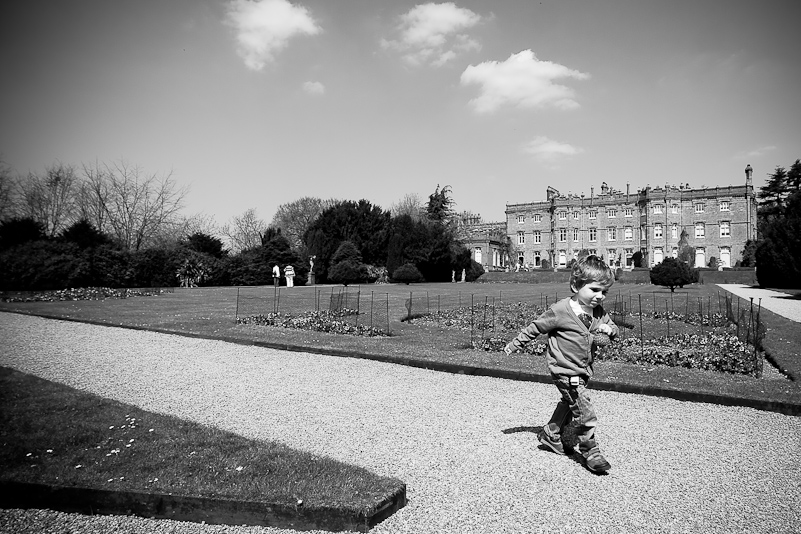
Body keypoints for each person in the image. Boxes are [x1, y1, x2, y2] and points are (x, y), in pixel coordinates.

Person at [504, 255, 619, 473]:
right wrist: (515, 344)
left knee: (569, 402)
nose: (599, 296)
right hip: (564, 370)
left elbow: (614, 329)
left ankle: (551, 434)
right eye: (594, 290)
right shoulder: (561, 310)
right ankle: (590, 451)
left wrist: (609, 330)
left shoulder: (598, 313)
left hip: (583, 369)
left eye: (604, 292)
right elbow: (535, 327)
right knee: (584, 410)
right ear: (576, 285)